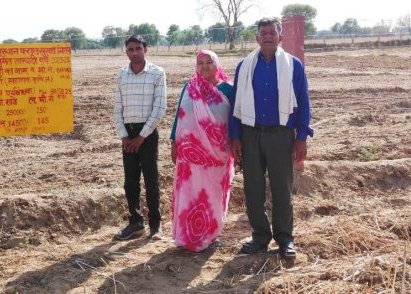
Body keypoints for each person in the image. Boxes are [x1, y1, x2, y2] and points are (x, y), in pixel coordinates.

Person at [229, 18, 313, 259]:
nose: (267, 36)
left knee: (282, 189)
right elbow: (235, 102)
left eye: (272, 33)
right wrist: (235, 136)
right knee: (253, 189)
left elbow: (303, 101)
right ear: (257, 38)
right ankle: (260, 237)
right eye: (263, 33)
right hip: (251, 135)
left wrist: (301, 137)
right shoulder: (245, 66)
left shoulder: (293, 66)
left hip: (281, 135)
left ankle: (285, 238)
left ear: (280, 37)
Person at [169, 50, 235, 252]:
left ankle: (210, 235)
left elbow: (235, 120)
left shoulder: (228, 89)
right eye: (200, 63)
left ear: (217, 66)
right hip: (189, 156)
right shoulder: (189, 87)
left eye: (209, 62)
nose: (204, 66)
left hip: (217, 156)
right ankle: (185, 236)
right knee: (189, 193)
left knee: (212, 194)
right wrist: (173, 141)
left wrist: (237, 144)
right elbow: (179, 115)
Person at [113, 35, 168, 241]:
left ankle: (155, 225)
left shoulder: (157, 73)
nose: (135, 52)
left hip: (148, 135)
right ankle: (135, 222)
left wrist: (142, 136)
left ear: (146, 49)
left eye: (138, 48)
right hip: (128, 135)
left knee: (151, 180)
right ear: (126, 52)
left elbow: (160, 108)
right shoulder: (121, 75)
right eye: (130, 49)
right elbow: (118, 107)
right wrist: (124, 136)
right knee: (130, 182)